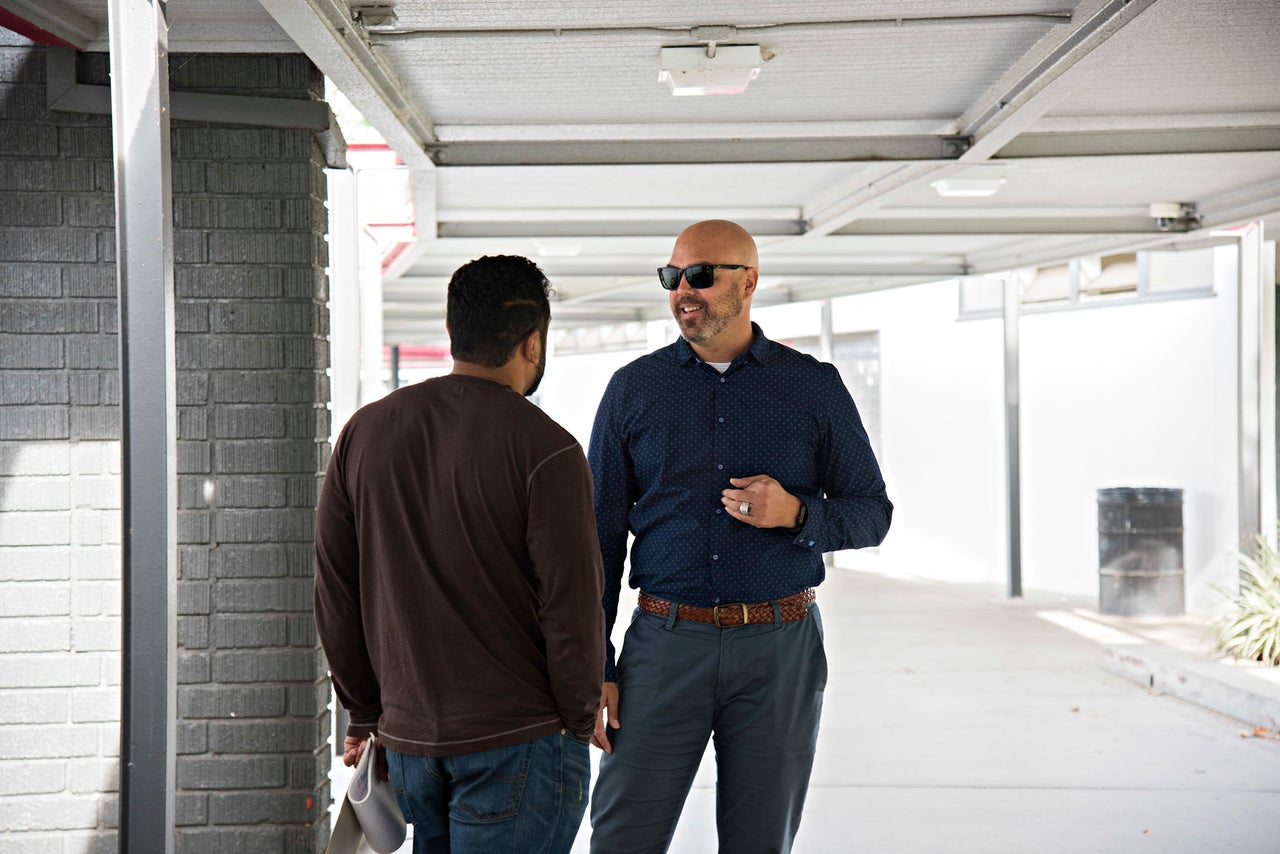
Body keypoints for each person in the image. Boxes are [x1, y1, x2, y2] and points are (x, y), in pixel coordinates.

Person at [587, 220, 893, 853]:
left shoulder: (813, 386)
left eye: (700, 275)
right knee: (621, 839)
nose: (682, 292)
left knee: (760, 842)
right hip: (662, 649)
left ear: (749, 281)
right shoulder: (634, 390)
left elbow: (872, 514)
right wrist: (595, 663)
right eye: (672, 278)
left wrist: (797, 514)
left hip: (779, 652)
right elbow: (597, 539)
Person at [315, 254, 605, 853]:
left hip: (412, 742)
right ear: (533, 342)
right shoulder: (548, 450)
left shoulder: (364, 434)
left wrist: (367, 714)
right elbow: (572, 606)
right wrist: (579, 718)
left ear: (453, 333)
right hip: (521, 739)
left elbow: (336, 593)